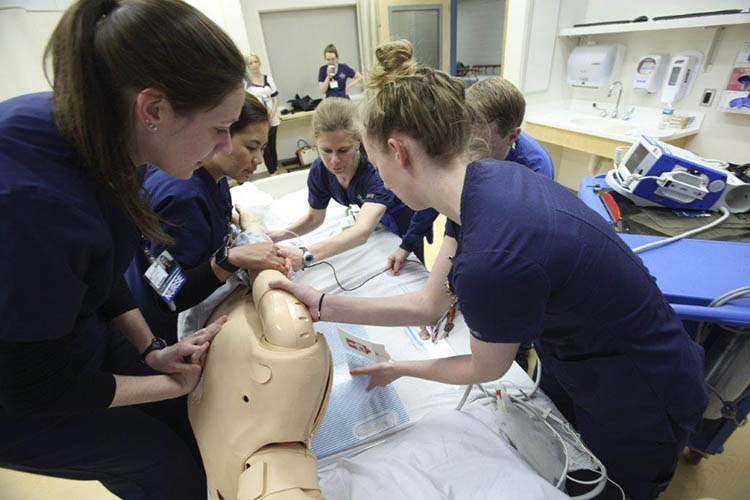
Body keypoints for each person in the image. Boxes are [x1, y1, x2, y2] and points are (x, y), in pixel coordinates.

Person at [269, 40, 709, 500]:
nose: (381, 180)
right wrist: (322, 305)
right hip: (584, 356)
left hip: (640, 389)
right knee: (567, 451)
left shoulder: (492, 256)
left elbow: (486, 367)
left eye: (377, 164)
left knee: (614, 489)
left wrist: (402, 367)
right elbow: (430, 303)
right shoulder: (481, 184)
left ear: (398, 153)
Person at [0, 1, 248, 498]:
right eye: (219, 128)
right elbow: (32, 385)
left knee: (187, 417)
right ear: (154, 109)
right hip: (18, 385)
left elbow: (98, 268)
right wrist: (170, 383)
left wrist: (153, 351)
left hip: (69, 329)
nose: (226, 146)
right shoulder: (33, 201)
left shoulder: (112, 137)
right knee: (165, 467)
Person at [126, 94, 290, 345]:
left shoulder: (213, 178)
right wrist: (231, 259)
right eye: (251, 147)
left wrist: (241, 222)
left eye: (263, 148)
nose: (258, 159)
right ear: (221, 137)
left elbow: (213, 224)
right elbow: (171, 293)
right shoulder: (183, 196)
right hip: (159, 331)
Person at [266, 97, 436, 272]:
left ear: (358, 141)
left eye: (343, 150)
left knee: (410, 266)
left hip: (404, 216)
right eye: (326, 151)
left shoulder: (374, 170)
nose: (334, 161)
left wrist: (305, 255)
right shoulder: (320, 171)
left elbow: (362, 232)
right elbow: (314, 218)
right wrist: (279, 235)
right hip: (377, 217)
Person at [246, 54, 281, 175]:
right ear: (248, 66)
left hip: (272, 117)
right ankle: (272, 172)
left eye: (256, 62)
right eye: (251, 63)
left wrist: (271, 114)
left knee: (273, 145)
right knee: (264, 147)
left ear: (259, 63)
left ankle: (275, 169)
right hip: (259, 120)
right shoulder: (247, 83)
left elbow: (275, 98)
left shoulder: (268, 79)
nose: (254, 65)